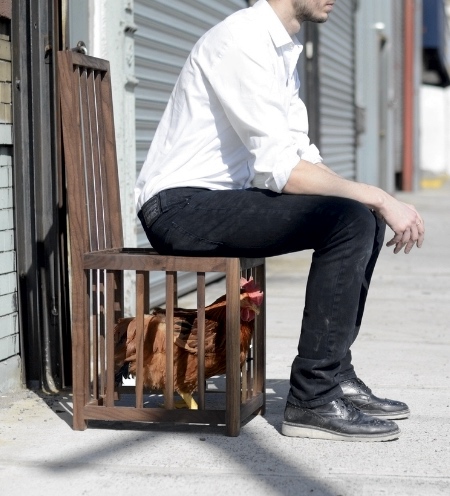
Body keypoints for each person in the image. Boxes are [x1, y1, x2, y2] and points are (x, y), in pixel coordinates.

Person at [135, 0, 425, 441]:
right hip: (179, 209)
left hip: (219, 200)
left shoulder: (281, 47)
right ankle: (312, 398)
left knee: (359, 214)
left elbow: (300, 156)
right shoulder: (242, 41)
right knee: (351, 217)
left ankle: (334, 374)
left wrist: (371, 201)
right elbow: (280, 171)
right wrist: (381, 195)